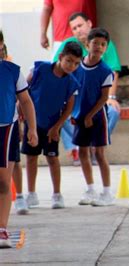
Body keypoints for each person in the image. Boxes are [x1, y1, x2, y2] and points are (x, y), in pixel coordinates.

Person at [54, 12, 121, 165]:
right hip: (75, 99)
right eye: (74, 28)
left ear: (89, 24)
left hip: (97, 99)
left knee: (113, 111)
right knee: (59, 112)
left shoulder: (104, 43)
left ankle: (95, 145)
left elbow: (113, 72)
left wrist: (111, 98)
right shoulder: (68, 45)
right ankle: (76, 147)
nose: (78, 30)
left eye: (80, 25)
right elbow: (57, 69)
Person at [23, 42, 82, 210]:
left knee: (52, 158)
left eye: (77, 63)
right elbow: (24, 89)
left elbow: (69, 106)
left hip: (52, 126)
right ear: (61, 57)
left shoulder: (71, 82)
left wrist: (57, 126)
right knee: (31, 157)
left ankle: (57, 194)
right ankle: (31, 194)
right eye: (69, 61)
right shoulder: (40, 69)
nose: (72, 66)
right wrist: (21, 108)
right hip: (32, 122)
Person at [73, 28, 115, 207]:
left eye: (103, 44)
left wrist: (91, 115)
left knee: (99, 153)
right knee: (82, 151)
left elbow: (104, 97)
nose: (99, 47)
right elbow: (72, 92)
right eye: (95, 43)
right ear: (87, 44)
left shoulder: (105, 71)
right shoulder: (77, 66)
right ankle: (90, 189)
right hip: (80, 115)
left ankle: (107, 192)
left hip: (98, 117)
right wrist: (72, 113)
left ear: (106, 48)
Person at [0, 58, 38, 248]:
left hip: (6, 128)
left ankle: (1, 229)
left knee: (3, 182)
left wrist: (32, 129)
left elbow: (25, 100)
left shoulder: (13, 71)